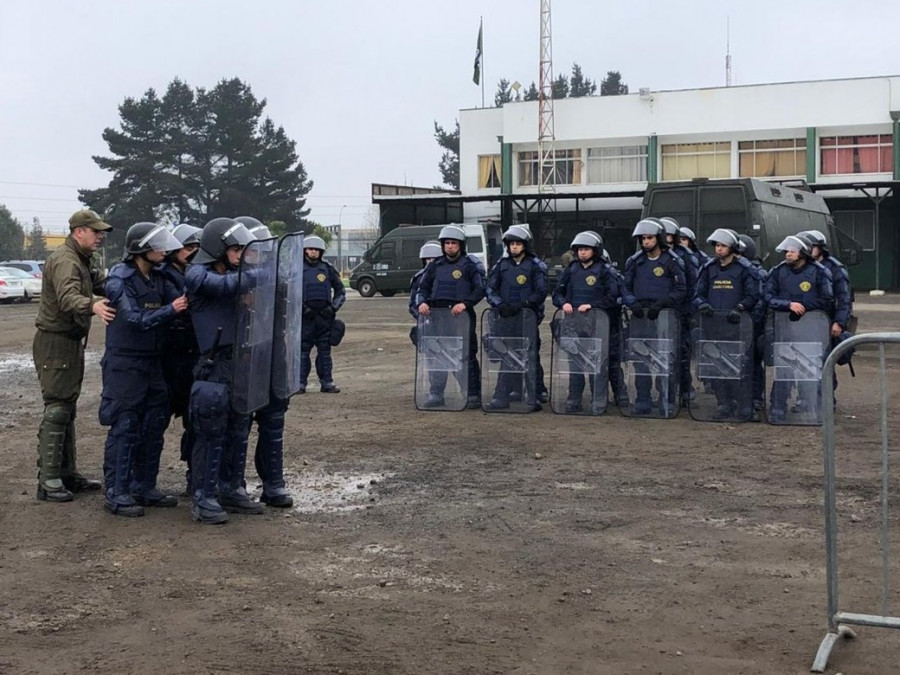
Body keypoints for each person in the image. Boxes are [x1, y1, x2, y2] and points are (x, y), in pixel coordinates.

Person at [100, 223, 187, 516]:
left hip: (153, 363)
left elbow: (186, 297)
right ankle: (117, 491)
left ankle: (145, 486)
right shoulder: (119, 279)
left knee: (154, 425)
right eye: (158, 246)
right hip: (125, 365)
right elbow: (135, 319)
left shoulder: (160, 277)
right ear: (141, 249)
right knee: (124, 426)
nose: (164, 251)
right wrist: (170, 310)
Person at [33, 209, 115, 502]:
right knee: (57, 408)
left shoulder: (79, 259)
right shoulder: (66, 261)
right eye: (95, 232)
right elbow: (68, 298)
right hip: (56, 342)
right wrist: (93, 305)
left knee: (66, 407)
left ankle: (66, 473)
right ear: (78, 231)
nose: (100, 237)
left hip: (67, 341)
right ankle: (49, 479)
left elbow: (100, 280)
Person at [186, 217, 262, 523]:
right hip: (213, 365)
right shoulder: (197, 274)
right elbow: (227, 286)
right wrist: (260, 272)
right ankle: (204, 497)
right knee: (211, 431)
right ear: (219, 247)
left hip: (239, 361)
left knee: (238, 427)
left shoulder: (233, 272)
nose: (241, 253)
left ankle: (232, 487)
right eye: (236, 248)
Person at [237, 216, 293, 508]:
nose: (260, 256)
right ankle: (234, 485)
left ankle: (273, 483)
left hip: (273, 353)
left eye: (263, 251)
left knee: (273, 420)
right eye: (254, 251)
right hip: (243, 356)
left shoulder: (275, 274)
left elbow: (284, 294)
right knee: (240, 422)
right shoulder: (229, 276)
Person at [763, 235, 833, 422]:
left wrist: (804, 306)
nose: (788, 254)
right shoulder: (778, 272)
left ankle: (815, 410)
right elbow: (768, 295)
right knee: (783, 369)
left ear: (803, 252)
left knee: (810, 369)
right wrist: (787, 304)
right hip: (784, 328)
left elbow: (827, 299)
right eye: (786, 251)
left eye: (792, 250)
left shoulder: (819, 272)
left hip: (810, 329)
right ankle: (778, 410)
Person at [552, 230, 624, 413]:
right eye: (580, 249)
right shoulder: (572, 269)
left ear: (595, 250)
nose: (582, 252)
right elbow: (557, 294)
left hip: (597, 325)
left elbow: (614, 297)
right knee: (574, 363)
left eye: (586, 249)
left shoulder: (605, 271)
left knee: (596, 364)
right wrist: (564, 303)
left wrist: (592, 306)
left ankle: (598, 399)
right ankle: (574, 399)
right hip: (574, 325)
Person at [415, 225, 487, 409]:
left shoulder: (470, 265)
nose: (450, 246)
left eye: (453, 243)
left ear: (461, 245)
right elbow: (422, 289)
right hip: (438, 318)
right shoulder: (435, 266)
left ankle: (471, 394)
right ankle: (437, 394)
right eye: (446, 243)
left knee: (466, 356)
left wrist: (465, 303)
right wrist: (421, 302)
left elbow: (480, 289)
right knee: (438, 356)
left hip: (461, 319)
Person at [693, 228, 760, 420]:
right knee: (717, 366)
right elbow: (697, 294)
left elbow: (753, 295)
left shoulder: (745, 269)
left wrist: (740, 308)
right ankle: (723, 404)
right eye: (717, 246)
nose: (719, 250)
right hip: (713, 326)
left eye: (723, 246)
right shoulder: (708, 268)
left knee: (741, 367)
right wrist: (703, 305)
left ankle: (744, 405)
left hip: (738, 327)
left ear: (733, 248)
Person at [623, 218, 687, 415]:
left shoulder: (673, 261)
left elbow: (681, 289)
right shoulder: (635, 261)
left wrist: (663, 303)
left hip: (664, 317)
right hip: (640, 316)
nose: (646, 242)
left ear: (658, 239)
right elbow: (625, 286)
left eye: (649, 238)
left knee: (664, 359)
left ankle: (666, 399)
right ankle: (642, 399)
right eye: (643, 238)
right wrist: (632, 302)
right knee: (640, 358)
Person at [484, 225, 548, 412]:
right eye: (511, 244)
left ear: (525, 245)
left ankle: (534, 396)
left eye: (518, 244)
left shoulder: (536, 266)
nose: (514, 247)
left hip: (527, 318)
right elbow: (490, 289)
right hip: (505, 318)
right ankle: (502, 396)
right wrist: (500, 304)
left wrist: (524, 304)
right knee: (507, 355)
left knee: (530, 356)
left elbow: (541, 291)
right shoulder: (501, 266)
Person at [159, 224, 202, 492]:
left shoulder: (198, 275)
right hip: (166, 360)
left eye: (196, 249)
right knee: (154, 422)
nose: (192, 254)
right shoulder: (161, 277)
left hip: (193, 358)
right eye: (188, 248)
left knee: (196, 422)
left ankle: (194, 476)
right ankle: (140, 481)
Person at [659, 216, 698, 404]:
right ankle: (665, 392)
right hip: (659, 313)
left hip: (681, 312)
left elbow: (692, 286)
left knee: (681, 354)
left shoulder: (686, 256)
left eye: (668, 234)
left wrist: (688, 312)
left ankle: (685, 390)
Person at [300, 235, 345, 393]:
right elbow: (289, 293)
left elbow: (340, 291)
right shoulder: (297, 269)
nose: (313, 252)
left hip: (324, 319)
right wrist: (302, 309)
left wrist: (333, 308)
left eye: (316, 250)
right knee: (303, 352)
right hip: (305, 319)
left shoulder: (327, 268)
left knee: (325, 352)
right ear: (305, 250)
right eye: (310, 249)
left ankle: (327, 382)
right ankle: (300, 383)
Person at [735, 233, 768, 417]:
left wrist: (749, 322)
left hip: (752, 325)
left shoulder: (758, 272)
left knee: (753, 363)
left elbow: (761, 301)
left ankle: (756, 398)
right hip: (737, 324)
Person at [408, 240, 442, 343]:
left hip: (446, 320)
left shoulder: (446, 276)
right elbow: (412, 304)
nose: (431, 261)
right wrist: (422, 314)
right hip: (427, 322)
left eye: (434, 259)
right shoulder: (419, 278)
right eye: (428, 258)